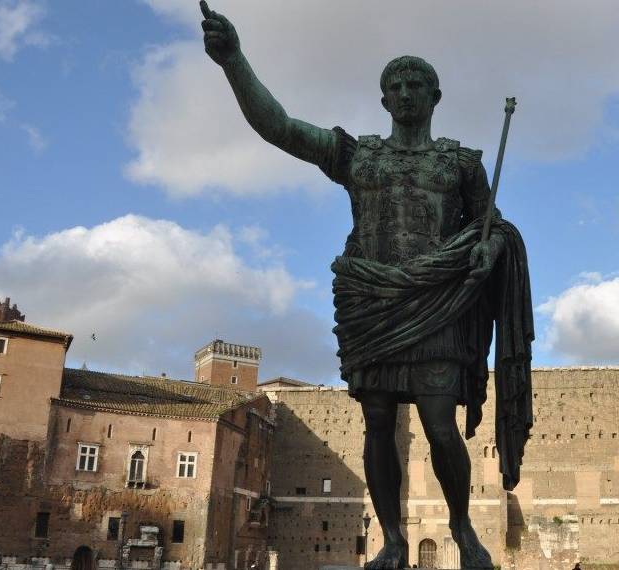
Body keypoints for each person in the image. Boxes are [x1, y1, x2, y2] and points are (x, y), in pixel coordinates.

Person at [200, 3, 534, 570]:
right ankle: (395, 542)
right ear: (383, 100)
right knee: (377, 419)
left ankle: (461, 528)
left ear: (434, 97)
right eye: (395, 85)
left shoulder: (462, 164)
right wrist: (234, 61)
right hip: (372, 304)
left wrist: (488, 247)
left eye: (416, 84)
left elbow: (493, 226)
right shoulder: (358, 156)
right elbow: (278, 127)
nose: (405, 92)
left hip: (436, 307)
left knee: (437, 422)